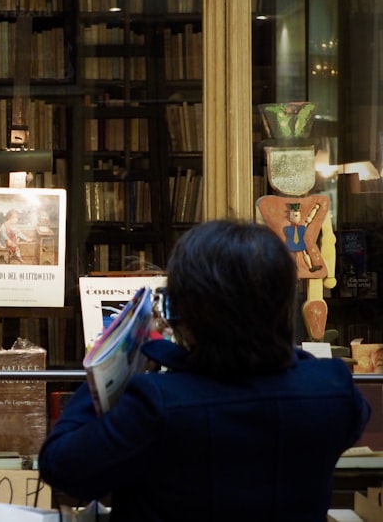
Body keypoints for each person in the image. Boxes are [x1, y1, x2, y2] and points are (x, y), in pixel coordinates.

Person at [39, 219, 370, 521]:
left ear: (187, 313)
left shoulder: (157, 405)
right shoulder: (332, 390)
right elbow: (295, 372)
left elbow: (61, 465)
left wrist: (109, 354)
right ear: (282, 305)